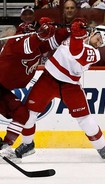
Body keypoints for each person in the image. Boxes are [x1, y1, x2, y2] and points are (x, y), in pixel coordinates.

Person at [12, 19, 105, 160]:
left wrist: (76, 35)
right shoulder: (77, 35)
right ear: (93, 33)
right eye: (98, 38)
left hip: (70, 87)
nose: (98, 43)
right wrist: (49, 26)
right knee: (28, 114)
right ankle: (28, 144)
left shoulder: (94, 54)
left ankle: (101, 147)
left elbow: (76, 52)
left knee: (85, 119)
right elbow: (54, 38)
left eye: (101, 43)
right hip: (48, 79)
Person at [0, 17, 67, 157]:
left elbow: (51, 42)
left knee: (23, 115)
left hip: (3, 89)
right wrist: (42, 33)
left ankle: (5, 144)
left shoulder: (34, 45)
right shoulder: (13, 44)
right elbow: (28, 44)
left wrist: (66, 30)